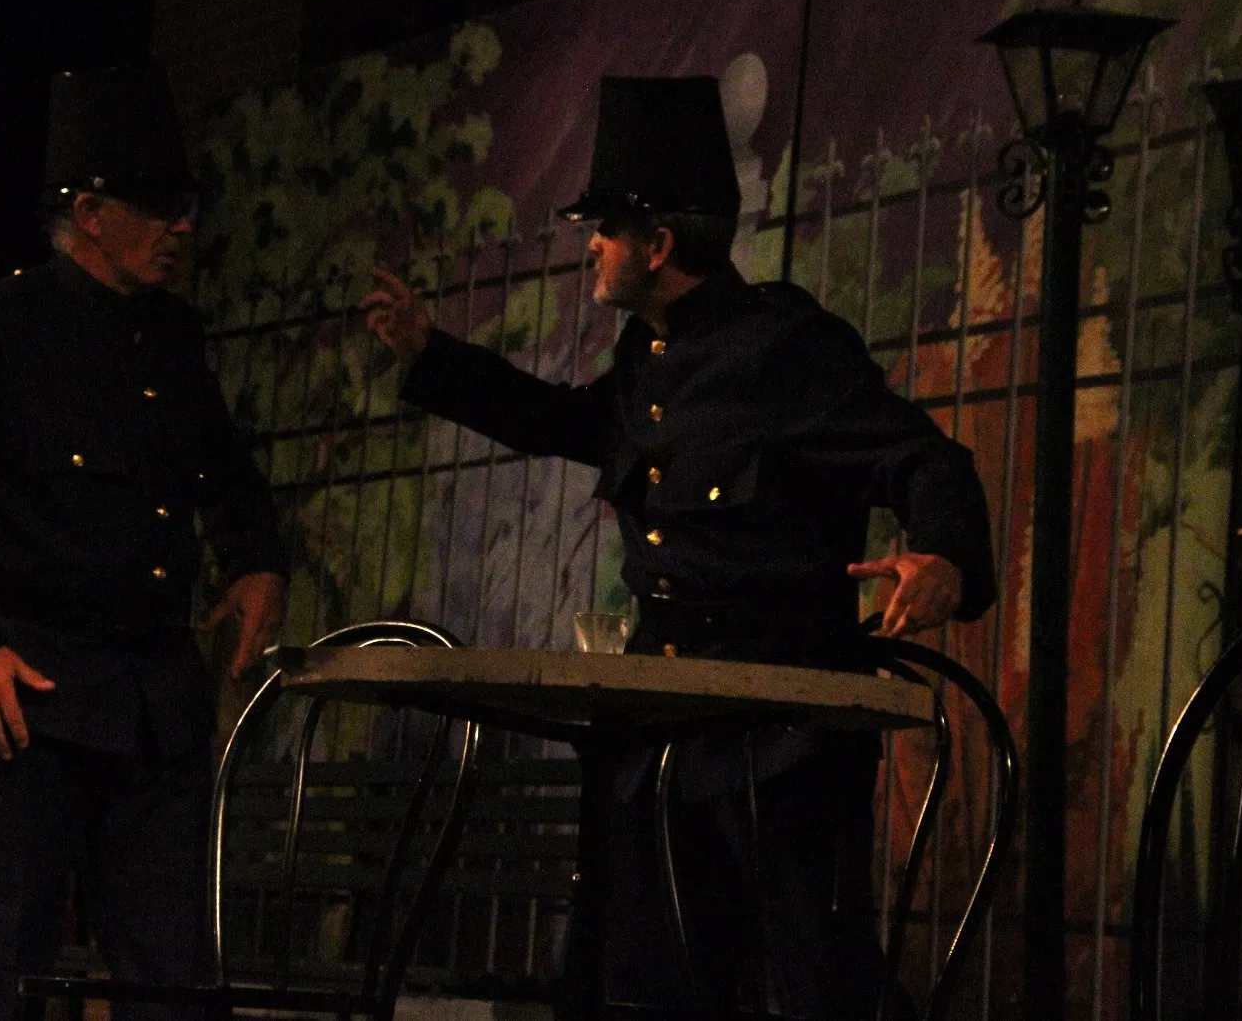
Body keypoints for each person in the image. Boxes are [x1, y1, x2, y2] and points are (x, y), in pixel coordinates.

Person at [362, 76, 996, 1018]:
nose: (591, 249)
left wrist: (940, 557)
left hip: (780, 732)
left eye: (606, 231)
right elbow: (568, 423)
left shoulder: (786, 348)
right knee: (642, 980)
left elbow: (920, 459)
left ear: (657, 245)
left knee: (803, 983)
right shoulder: (646, 358)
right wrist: (431, 355)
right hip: (662, 724)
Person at [0, 64, 288, 1021]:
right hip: (31, 693)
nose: (184, 227)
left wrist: (257, 559)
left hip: (152, 700)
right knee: (1, 974)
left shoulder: (174, 339)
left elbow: (225, 476)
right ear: (92, 212)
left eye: (189, 206)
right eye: (161, 205)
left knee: (173, 975)